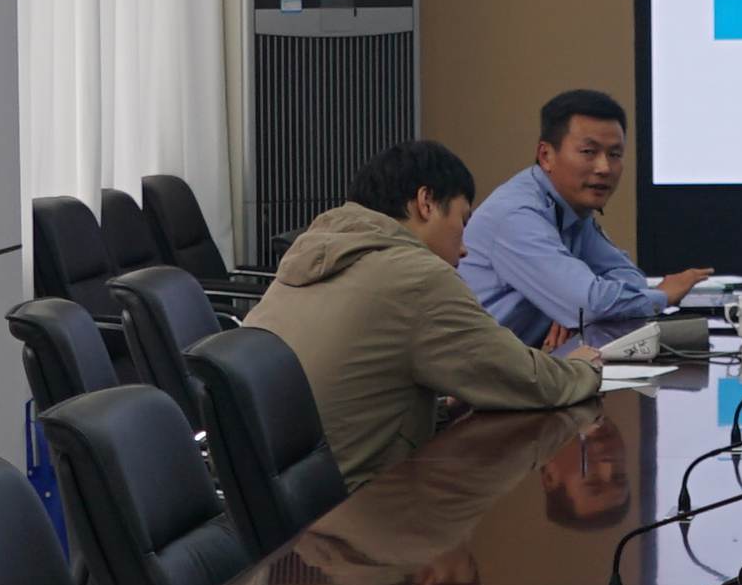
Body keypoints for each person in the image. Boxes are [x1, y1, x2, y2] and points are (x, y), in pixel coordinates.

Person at [255, 136, 610, 481]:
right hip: (363, 502)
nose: (465, 250)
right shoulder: (415, 275)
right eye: (463, 221)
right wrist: (582, 366)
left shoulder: (312, 254)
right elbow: (526, 380)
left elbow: (356, 394)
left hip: (290, 501)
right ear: (426, 202)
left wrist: (439, 410)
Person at [459, 88, 700, 347]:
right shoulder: (516, 216)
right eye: (588, 152)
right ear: (546, 156)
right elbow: (589, 304)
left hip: (519, 361)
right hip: (475, 369)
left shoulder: (571, 210)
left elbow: (627, 276)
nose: (604, 168)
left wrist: (573, 307)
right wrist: (662, 296)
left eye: (615, 154)